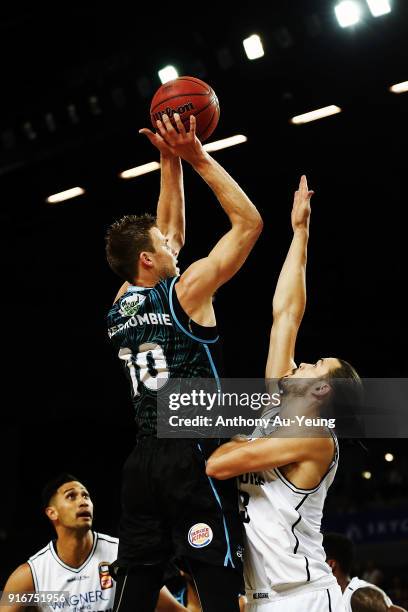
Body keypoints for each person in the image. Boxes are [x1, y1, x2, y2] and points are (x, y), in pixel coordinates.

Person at [105, 112, 263, 612]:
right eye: (163, 247)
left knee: (135, 587)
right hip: (189, 452)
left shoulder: (120, 302)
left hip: (141, 460)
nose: (174, 244)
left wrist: (167, 158)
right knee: (216, 587)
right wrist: (197, 156)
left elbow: (167, 229)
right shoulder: (187, 292)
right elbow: (250, 223)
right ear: (149, 261)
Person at [205, 175, 362, 611]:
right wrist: (300, 233)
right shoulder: (281, 405)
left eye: (313, 366)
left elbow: (219, 464)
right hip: (261, 598)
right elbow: (286, 315)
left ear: (320, 389)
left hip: (305, 598)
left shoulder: (311, 437)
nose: (302, 362)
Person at [0, 474, 186, 612]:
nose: (83, 502)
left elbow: (173, 610)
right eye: (71, 496)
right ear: (52, 513)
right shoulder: (30, 575)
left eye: (86, 496)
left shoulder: (122, 554)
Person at [323, 532, 407, 612]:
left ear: (330, 565)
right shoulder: (320, 597)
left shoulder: (361, 597)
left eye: (314, 561)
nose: (309, 567)